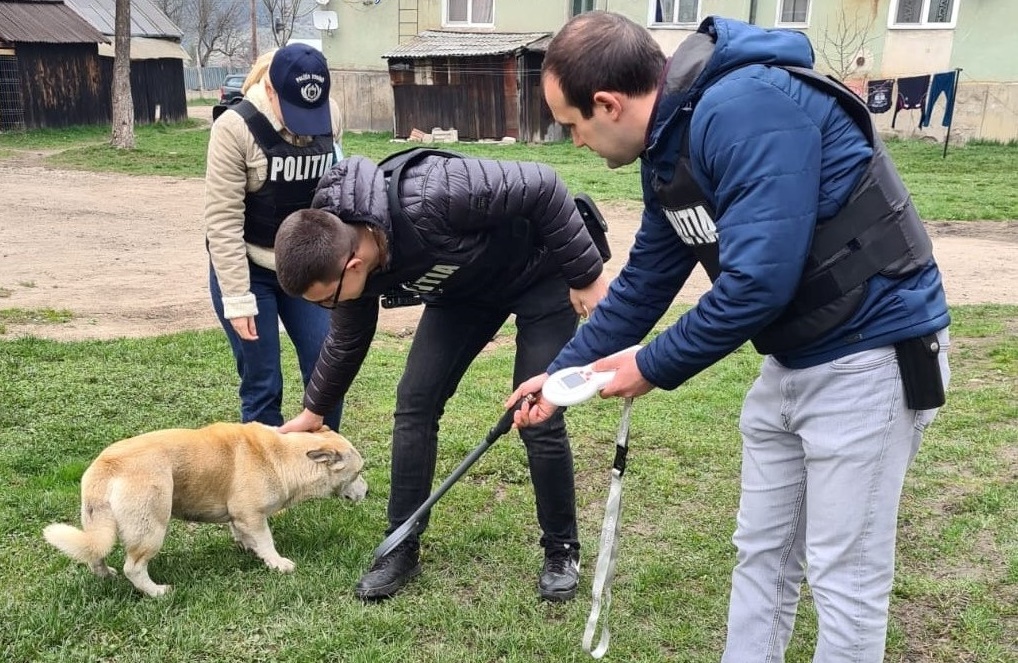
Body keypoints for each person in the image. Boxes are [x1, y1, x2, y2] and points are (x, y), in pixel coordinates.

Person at [508, 12, 951, 663]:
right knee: (762, 553)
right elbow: (642, 287)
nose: (575, 143)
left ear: (607, 103)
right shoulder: (668, 150)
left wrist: (650, 365)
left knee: (843, 577)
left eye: (572, 125)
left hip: (872, 353)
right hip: (794, 361)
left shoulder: (747, 107)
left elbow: (756, 283)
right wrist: (561, 373)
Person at [273, 151, 610, 602]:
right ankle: (401, 544)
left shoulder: (433, 192)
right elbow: (347, 340)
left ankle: (561, 548)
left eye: (325, 301)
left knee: (539, 415)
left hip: (541, 274)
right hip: (466, 291)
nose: (326, 309)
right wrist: (313, 412)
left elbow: (543, 184)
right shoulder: (344, 252)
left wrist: (586, 275)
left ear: (351, 265)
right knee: (415, 401)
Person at [204, 43, 344, 431]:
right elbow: (223, 222)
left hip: (307, 263)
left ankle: (320, 460)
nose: (305, 124)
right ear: (270, 91)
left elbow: (333, 192)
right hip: (250, 268)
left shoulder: (329, 114)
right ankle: (267, 474)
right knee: (263, 380)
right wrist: (237, 299)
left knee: (325, 366)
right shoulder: (234, 128)